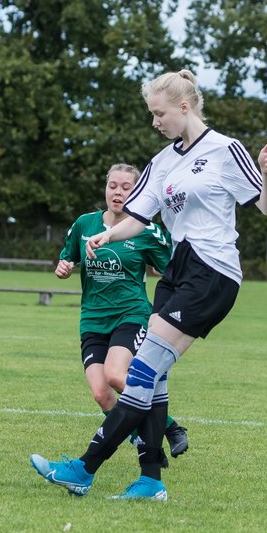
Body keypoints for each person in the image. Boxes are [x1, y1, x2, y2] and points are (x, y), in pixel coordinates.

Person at [31, 69, 267, 500]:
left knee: (141, 371)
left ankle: (83, 468)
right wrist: (106, 235)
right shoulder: (163, 162)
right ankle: (150, 481)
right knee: (154, 378)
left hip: (213, 271)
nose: (155, 122)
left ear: (184, 107)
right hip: (178, 272)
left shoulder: (226, 150)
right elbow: (139, 217)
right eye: (152, 114)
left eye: (159, 113)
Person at [55, 163, 189, 459]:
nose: (117, 192)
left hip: (131, 314)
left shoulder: (145, 230)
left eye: (126, 187)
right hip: (92, 319)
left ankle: (168, 428)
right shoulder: (84, 224)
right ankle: (144, 438)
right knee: (101, 393)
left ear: (137, 191)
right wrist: (63, 267)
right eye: (112, 186)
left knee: (117, 376)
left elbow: (168, 271)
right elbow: (67, 259)